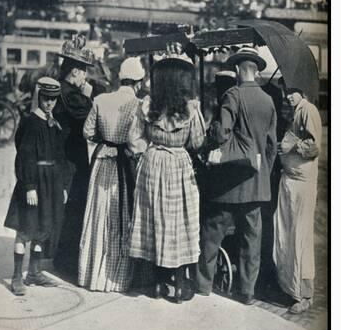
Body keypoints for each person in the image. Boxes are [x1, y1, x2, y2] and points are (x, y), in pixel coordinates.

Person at [196, 46, 277, 304]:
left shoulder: (232, 94)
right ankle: (247, 292)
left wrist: (213, 132)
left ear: (241, 69)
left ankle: (203, 285)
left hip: (230, 183)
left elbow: (222, 134)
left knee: (212, 231)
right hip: (256, 183)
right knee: (251, 239)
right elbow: (271, 146)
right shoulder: (268, 100)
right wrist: (262, 170)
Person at [128, 44, 206, 304]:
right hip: (179, 166)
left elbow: (134, 140)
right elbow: (196, 142)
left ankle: (157, 283)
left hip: (153, 163)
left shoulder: (148, 104)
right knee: (180, 221)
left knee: (153, 219)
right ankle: (181, 284)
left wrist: (149, 152)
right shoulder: (191, 108)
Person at [78, 57, 145, 292]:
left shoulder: (101, 99)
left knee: (97, 213)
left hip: (101, 161)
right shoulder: (137, 105)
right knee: (118, 215)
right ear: (138, 82)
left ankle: (90, 274)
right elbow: (136, 143)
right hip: (122, 164)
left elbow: (87, 131)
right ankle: (115, 277)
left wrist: (103, 138)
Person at [4, 77, 70, 295]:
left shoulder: (53, 123)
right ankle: (16, 276)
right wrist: (29, 185)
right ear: (38, 97)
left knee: (43, 227)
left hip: (50, 183)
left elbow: (59, 156)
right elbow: (24, 156)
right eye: (46, 98)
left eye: (53, 99)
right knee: (25, 228)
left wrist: (61, 186)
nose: (49, 103)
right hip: (33, 182)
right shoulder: (32, 122)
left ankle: (34, 272)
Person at [273, 87, 322, 314]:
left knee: (300, 237)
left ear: (301, 92)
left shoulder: (308, 109)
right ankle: (289, 287)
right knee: (286, 235)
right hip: (290, 180)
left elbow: (313, 147)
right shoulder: (294, 112)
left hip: (302, 182)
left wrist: (292, 145)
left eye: (292, 92)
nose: (288, 96)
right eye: (286, 92)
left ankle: (305, 294)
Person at [53, 35, 97, 277]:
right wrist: (91, 95)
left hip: (66, 155)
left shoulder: (60, 89)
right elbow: (92, 115)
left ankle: (60, 256)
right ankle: (66, 262)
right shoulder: (69, 95)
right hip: (70, 159)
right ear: (75, 72)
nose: (85, 77)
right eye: (83, 72)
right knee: (74, 208)